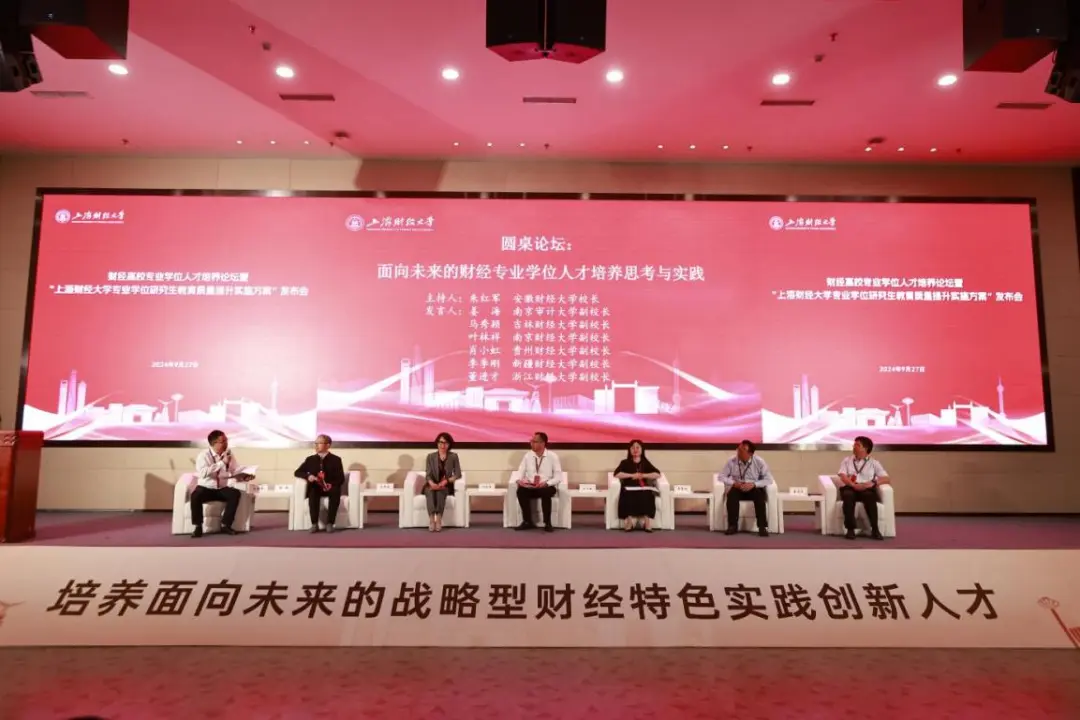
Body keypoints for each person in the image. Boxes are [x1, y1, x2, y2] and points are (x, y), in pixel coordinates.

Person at [190, 430, 250, 538]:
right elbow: (203, 473)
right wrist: (222, 463)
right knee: (195, 495)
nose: (226, 443)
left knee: (234, 494)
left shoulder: (228, 455)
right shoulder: (203, 455)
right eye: (223, 441)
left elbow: (234, 471)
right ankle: (198, 526)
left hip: (221, 488)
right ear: (214, 443)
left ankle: (226, 524)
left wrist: (244, 476)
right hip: (206, 487)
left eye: (226, 440)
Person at [837, 435, 889, 540]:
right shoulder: (847, 460)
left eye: (857, 445)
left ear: (865, 448)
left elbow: (886, 478)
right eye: (854, 444)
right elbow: (842, 476)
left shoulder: (874, 463)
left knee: (870, 496)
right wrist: (853, 485)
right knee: (847, 495)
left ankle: (875, 529)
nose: (854, 446)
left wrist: (872, 483)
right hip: (851, 487)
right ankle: (850, 529)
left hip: (866, 488)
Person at [718, 439, 773, 537]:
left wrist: (754, 484)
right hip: (738, 487)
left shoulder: (759, 462)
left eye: (741, 450)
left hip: (753, 487)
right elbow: (721, 476)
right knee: (731, 496)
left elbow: (769, 479)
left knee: (760, 497)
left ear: (750, 453)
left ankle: (762, 527)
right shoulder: (731, 461)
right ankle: (732, 526)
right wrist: (734, 483)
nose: (738, 452)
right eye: (738, 449)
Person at [294, 434, 346, 533]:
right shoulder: (310, 459)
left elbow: (341, 478)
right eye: (315, 443)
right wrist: (308, 476)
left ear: (328, 445)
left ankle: (330, 523)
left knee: (335, 491)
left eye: (319, 443)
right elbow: (297, 472)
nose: (316, 446)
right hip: (317, 487)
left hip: (330, 487)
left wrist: (331, 484)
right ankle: (314, 524)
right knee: (313, 491)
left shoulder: (336, 460)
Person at [514, 431, 562, 532]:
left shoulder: (552, 456)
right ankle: (527, 521)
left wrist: (547, 483)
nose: (531, 443)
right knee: (521, 491)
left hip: (546, 486)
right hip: (531, 486)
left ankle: (547, 523)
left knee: (545, 492)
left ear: (542, 443)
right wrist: (519, 480)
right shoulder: (528, 455)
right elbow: (520, 470)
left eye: (534, 441)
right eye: (531, 441)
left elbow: (558, 477)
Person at [613, 439, 662, 532]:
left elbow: (657, 474)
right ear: (629, 450)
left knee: (647, 494)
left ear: (642, 449)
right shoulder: (625, 462)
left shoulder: (645, 462)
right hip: (629, 488)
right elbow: (617, 474)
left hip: (643, 488)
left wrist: (643, 475)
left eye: (637, 447)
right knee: (627, 494)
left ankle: (647, 523)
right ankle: (629, 522)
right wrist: (632, 475)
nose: (635, 450)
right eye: (633, 448)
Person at [423, 432, 462, 532]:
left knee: (440, 492)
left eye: (445, 443)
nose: (442, 445)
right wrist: (432, 484)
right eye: (440, 442)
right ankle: (432, 520)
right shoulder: (430, 457)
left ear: (449, 444)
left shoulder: (453, 456)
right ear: (437, 443)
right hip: (431, 483)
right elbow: (428, 474)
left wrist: (446, 481)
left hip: (446, 485)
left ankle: (439, 519)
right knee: (430, 492)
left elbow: (458, 474)